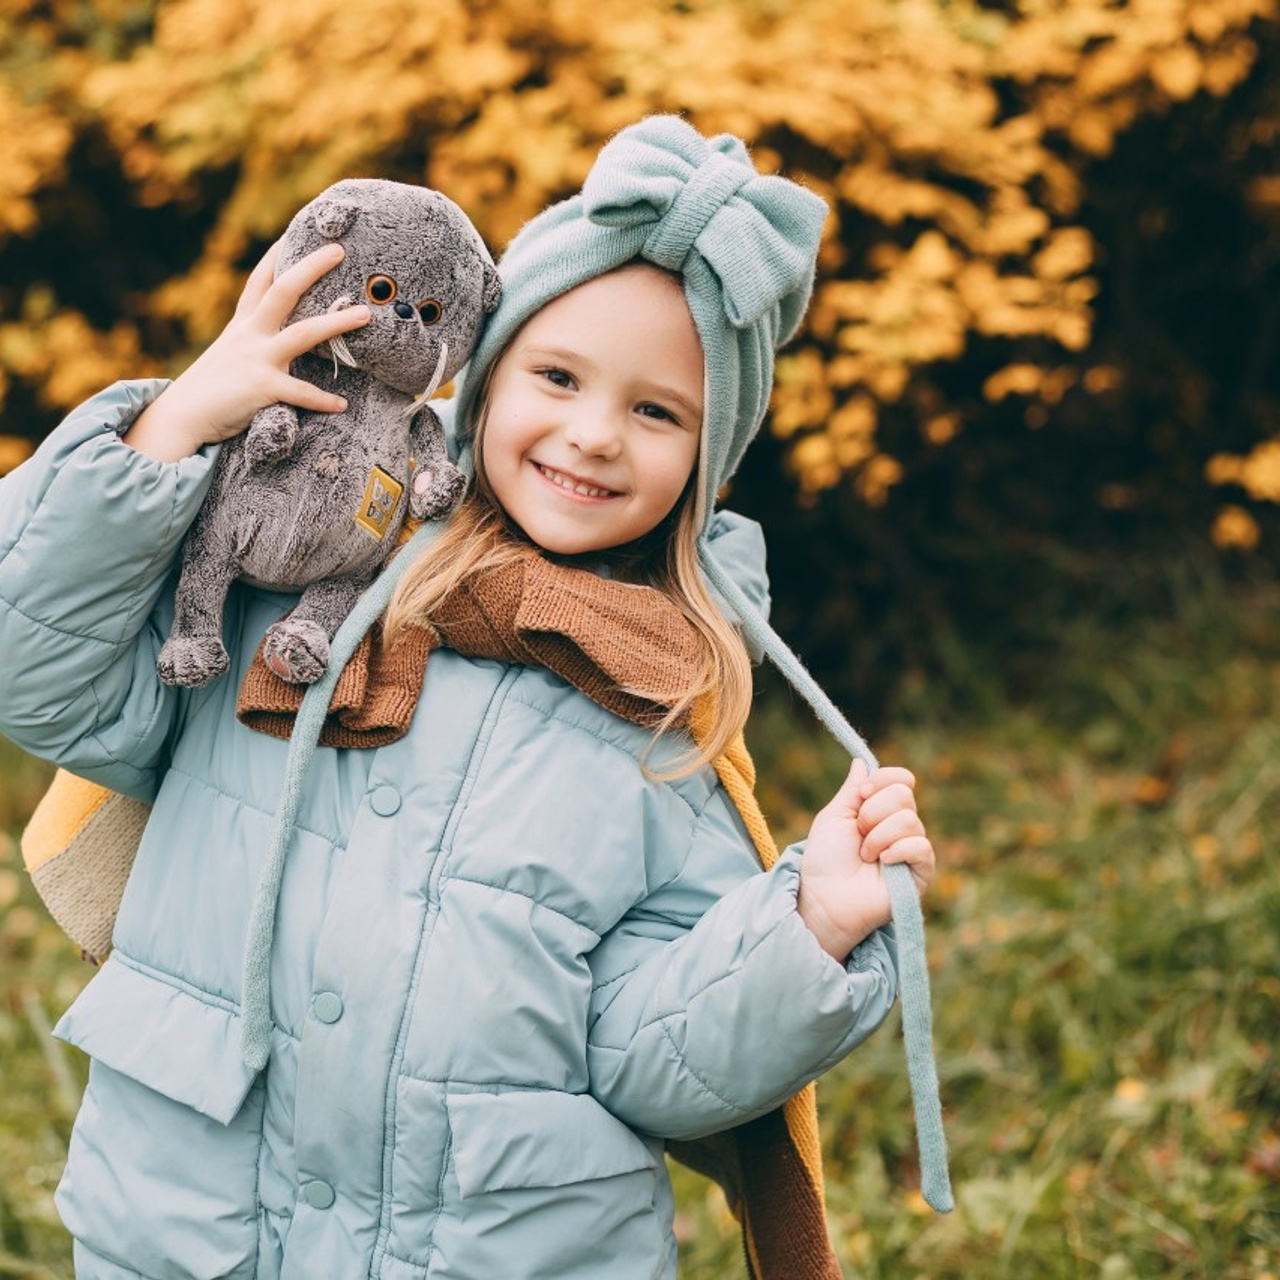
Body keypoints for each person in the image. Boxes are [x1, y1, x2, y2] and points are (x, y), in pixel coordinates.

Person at [0, 116, 943, 1280]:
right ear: (483, 382)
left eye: (657, 411)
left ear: (707, 458)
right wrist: (176, 422)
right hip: (198, 1235)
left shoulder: (655, 698)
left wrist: (809, 924)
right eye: (556, 376)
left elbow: (646, 1055)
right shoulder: (279, 588)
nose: (593, 434)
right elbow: (34, 665)